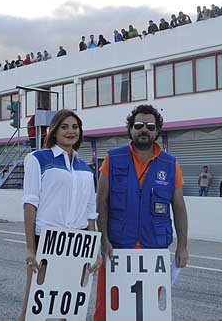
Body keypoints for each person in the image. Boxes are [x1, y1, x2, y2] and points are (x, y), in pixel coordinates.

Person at [93, 104, 189, 321]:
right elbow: (101, 200)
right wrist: (104, 239)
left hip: (152, 250)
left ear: (157, 131)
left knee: (145, 312)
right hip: (116, 248)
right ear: (130, 129)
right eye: (138, 125)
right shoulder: (113, 158)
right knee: (107, 309)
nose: (144, 130)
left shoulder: (171, 164)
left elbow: (179, 207)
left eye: (150, 126)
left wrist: (182, 246)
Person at [19, 109, 99, 321]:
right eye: (64, 127)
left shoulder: (85, 167)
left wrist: (95, 250)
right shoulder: (37, 158)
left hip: (78, 241)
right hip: (46, 239)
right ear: (54, 131)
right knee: (33, 308)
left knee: (68, 310)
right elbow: (30, 204)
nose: (71, 131)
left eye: (75, 127)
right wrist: (30, 248)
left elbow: (91, 212)